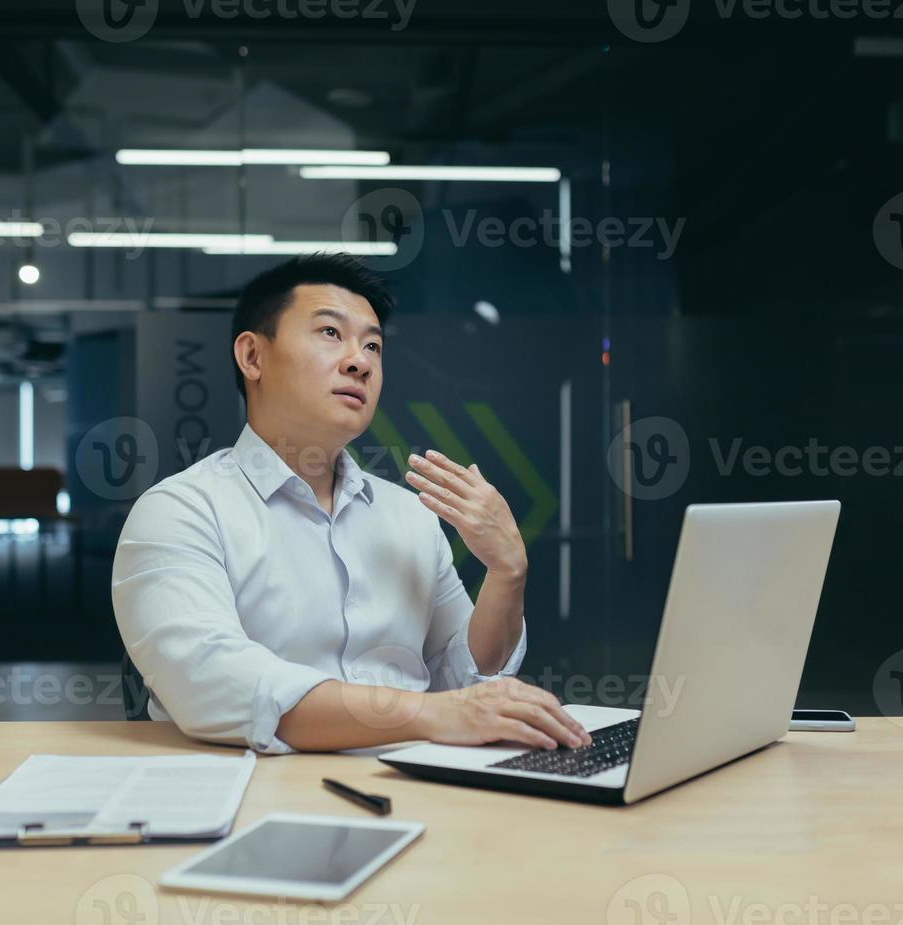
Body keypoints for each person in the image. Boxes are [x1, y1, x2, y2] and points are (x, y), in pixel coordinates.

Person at [111, 253, 591, 754]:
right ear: (253, 357)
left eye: (373, 345)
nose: (359, 361)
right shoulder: (181, 511)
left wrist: (507, 572)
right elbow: (214, 683)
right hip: (256, 790)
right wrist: (429, 713)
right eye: (329, 333)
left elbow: (463, 680)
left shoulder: (409, 515)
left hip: (421, 784)